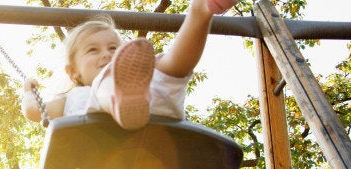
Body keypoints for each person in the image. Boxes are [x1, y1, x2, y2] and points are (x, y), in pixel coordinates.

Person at [21, 0, 239, 130]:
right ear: (73, 70)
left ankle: (201, 10)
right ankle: (120, 100)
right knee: (107, 81)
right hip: (100, 142)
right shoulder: (69, 99)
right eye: (93, 50)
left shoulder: (134, 79)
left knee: (168, 70)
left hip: (157, 122)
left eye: (114, 48)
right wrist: (28, 91)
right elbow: (34, 111)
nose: (106, 54)